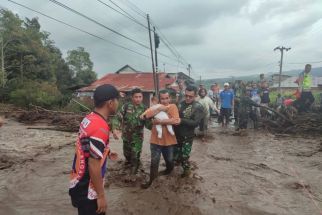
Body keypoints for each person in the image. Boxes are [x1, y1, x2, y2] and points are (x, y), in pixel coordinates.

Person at [69, 84, 119, 215]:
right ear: (110, 103)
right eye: (117, 100)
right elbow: (93, 164)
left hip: (78, 181)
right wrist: (101, 196)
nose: (117, 104)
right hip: (88, 188)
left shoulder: (90, 118)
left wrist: (106, 151)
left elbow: (86, 144)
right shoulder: (100, 127)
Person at [141, 90, 180, 188]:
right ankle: (151, 182)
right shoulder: (155, 107)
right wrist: (158, 110)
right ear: (159, 99)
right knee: (154, 162)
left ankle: (168, 172)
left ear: (170, 98)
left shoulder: (173, 107)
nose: (165, 100)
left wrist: (160, 122)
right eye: (162, 98)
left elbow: (176, 120)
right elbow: (143, 117)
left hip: (169, 140)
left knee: (170, 160)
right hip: (155, 140)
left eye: (166, 98)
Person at [111, 88, 151, 174]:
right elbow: (117, 118)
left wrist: (153, 121)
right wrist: (115, 129)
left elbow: (149, 125)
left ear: (142, 97)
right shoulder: (125, 106)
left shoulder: (145, 109)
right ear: (132, 97)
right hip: (126, 136)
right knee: (127, 154)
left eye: (140, 97)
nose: (138, 99)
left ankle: (134, 173)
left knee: (135, 155)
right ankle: (129, 163)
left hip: (137, 137)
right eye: (136, 97)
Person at [174, 85, 205, 177]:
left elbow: (195, 123)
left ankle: (187, 174)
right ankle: (177, 167)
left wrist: (181, 120)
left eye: (190, 96)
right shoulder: (180, 103)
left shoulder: (198, 107)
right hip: (177, 135)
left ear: (195, 96)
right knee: (175, 155)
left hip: (187, 137)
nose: (187, 98)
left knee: (184, 157)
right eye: (186, 95)